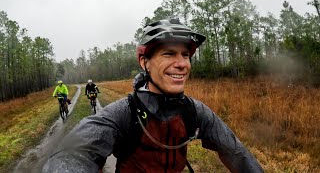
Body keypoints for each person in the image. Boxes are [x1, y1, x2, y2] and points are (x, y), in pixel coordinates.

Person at [43, 18, 263, 172]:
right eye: (169, 53)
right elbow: (73, 154)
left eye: (185, 55)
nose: (181, 64)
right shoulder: (124, 113)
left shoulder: (194, 111)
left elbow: (236, 152)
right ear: (144, 62)